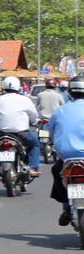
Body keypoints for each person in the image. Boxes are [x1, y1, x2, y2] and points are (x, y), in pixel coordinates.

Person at [46, 74, 84, 225]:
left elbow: (51, 132)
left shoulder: (60, 111)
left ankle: (65, 207)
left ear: (69, 91)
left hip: (67, 157)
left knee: (57, 171)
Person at [0, 75, 40, 177]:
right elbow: (33, 115)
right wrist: (33, 121)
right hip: (21, 133)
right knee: (35, 144)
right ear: (18, 87)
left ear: (4, 87)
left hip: (3, 134)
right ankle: (33, 168)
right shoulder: (25, 100)